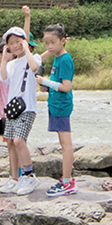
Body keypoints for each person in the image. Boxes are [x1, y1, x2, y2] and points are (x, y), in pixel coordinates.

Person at [0, 12, 42, 195]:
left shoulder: (33, 57)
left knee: (19, 140)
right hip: (12, 109)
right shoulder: (11, 64)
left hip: (27, 108)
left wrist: (27, 50)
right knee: (11, 144)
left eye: (18, 41)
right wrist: (4, 60)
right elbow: (3, 78)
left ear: (24, 41)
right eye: (11, 43)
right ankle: (14, 178)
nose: (15, 45)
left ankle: (29, 176)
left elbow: (34, 67)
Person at [38, 20, 77, 196]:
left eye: (52, 42)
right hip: (55, 104)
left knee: (66, 144)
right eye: (46, 43)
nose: (49, 46)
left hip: (61, 106)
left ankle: (67, 181)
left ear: (63, 40)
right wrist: (45, 86)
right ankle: (66, 179)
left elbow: (66, 87)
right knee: (63, 143)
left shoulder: (65, 59)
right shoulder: (57, 58)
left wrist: (46, 82)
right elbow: (57, 84)